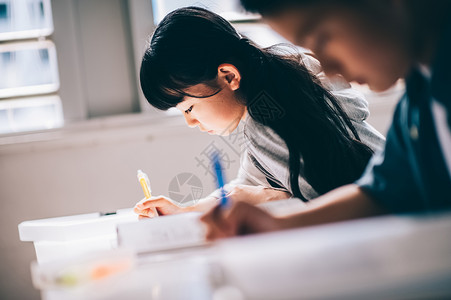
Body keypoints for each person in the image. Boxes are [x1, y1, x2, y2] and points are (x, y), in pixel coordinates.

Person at [201, 0, 451, 240]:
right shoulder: (420, 95)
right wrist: (278, 225)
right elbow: (382, 193)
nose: (329, 69)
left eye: (321, 40)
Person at [134, 6, 385, 218]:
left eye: (189, 107)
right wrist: (187, 210)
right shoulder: (280, 82)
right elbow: (248, 184)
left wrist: (268, 198)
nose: (191, 122)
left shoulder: (266, 122)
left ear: (229, 76)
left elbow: (326, 209)